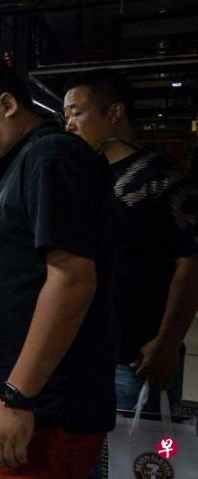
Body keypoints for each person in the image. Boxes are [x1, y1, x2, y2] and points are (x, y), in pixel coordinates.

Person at [0, 57, 117, 478]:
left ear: (7, 104)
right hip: (24, 404)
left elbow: (72, 280)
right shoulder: (24, 162)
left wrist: (18, 397)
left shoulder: (51, 156)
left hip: (42, 412)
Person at [64, 69, 198, 412]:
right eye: (65, 116)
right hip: (90, 351)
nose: (69, 125)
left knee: (150, 455)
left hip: (140, 356)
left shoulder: (162, 176)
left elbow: (191, 262)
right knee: (100, 460)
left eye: (77, 113)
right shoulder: (87, 179)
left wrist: (167, 343)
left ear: (114, 113)